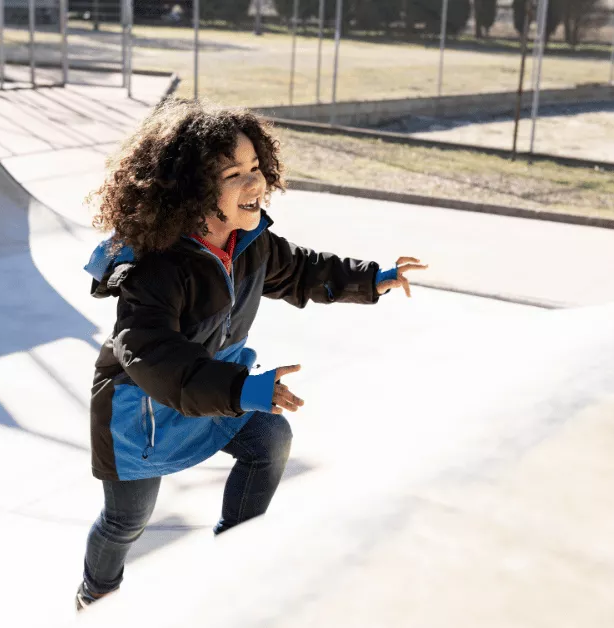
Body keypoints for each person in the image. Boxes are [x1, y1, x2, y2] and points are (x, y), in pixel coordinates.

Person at [77, 98, 427, 610]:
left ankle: (235, 557)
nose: (255, 184)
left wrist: (371, 279)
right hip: (142, 409)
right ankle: (96, 592)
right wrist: (241, 389)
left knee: (269, 439)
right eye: (234, 174)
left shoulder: (250, 242)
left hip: (216, 388)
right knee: (126, 520)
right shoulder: (157, 268)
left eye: (256, 168)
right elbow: (152, 355)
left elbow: (303, 270)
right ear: (193, 191)